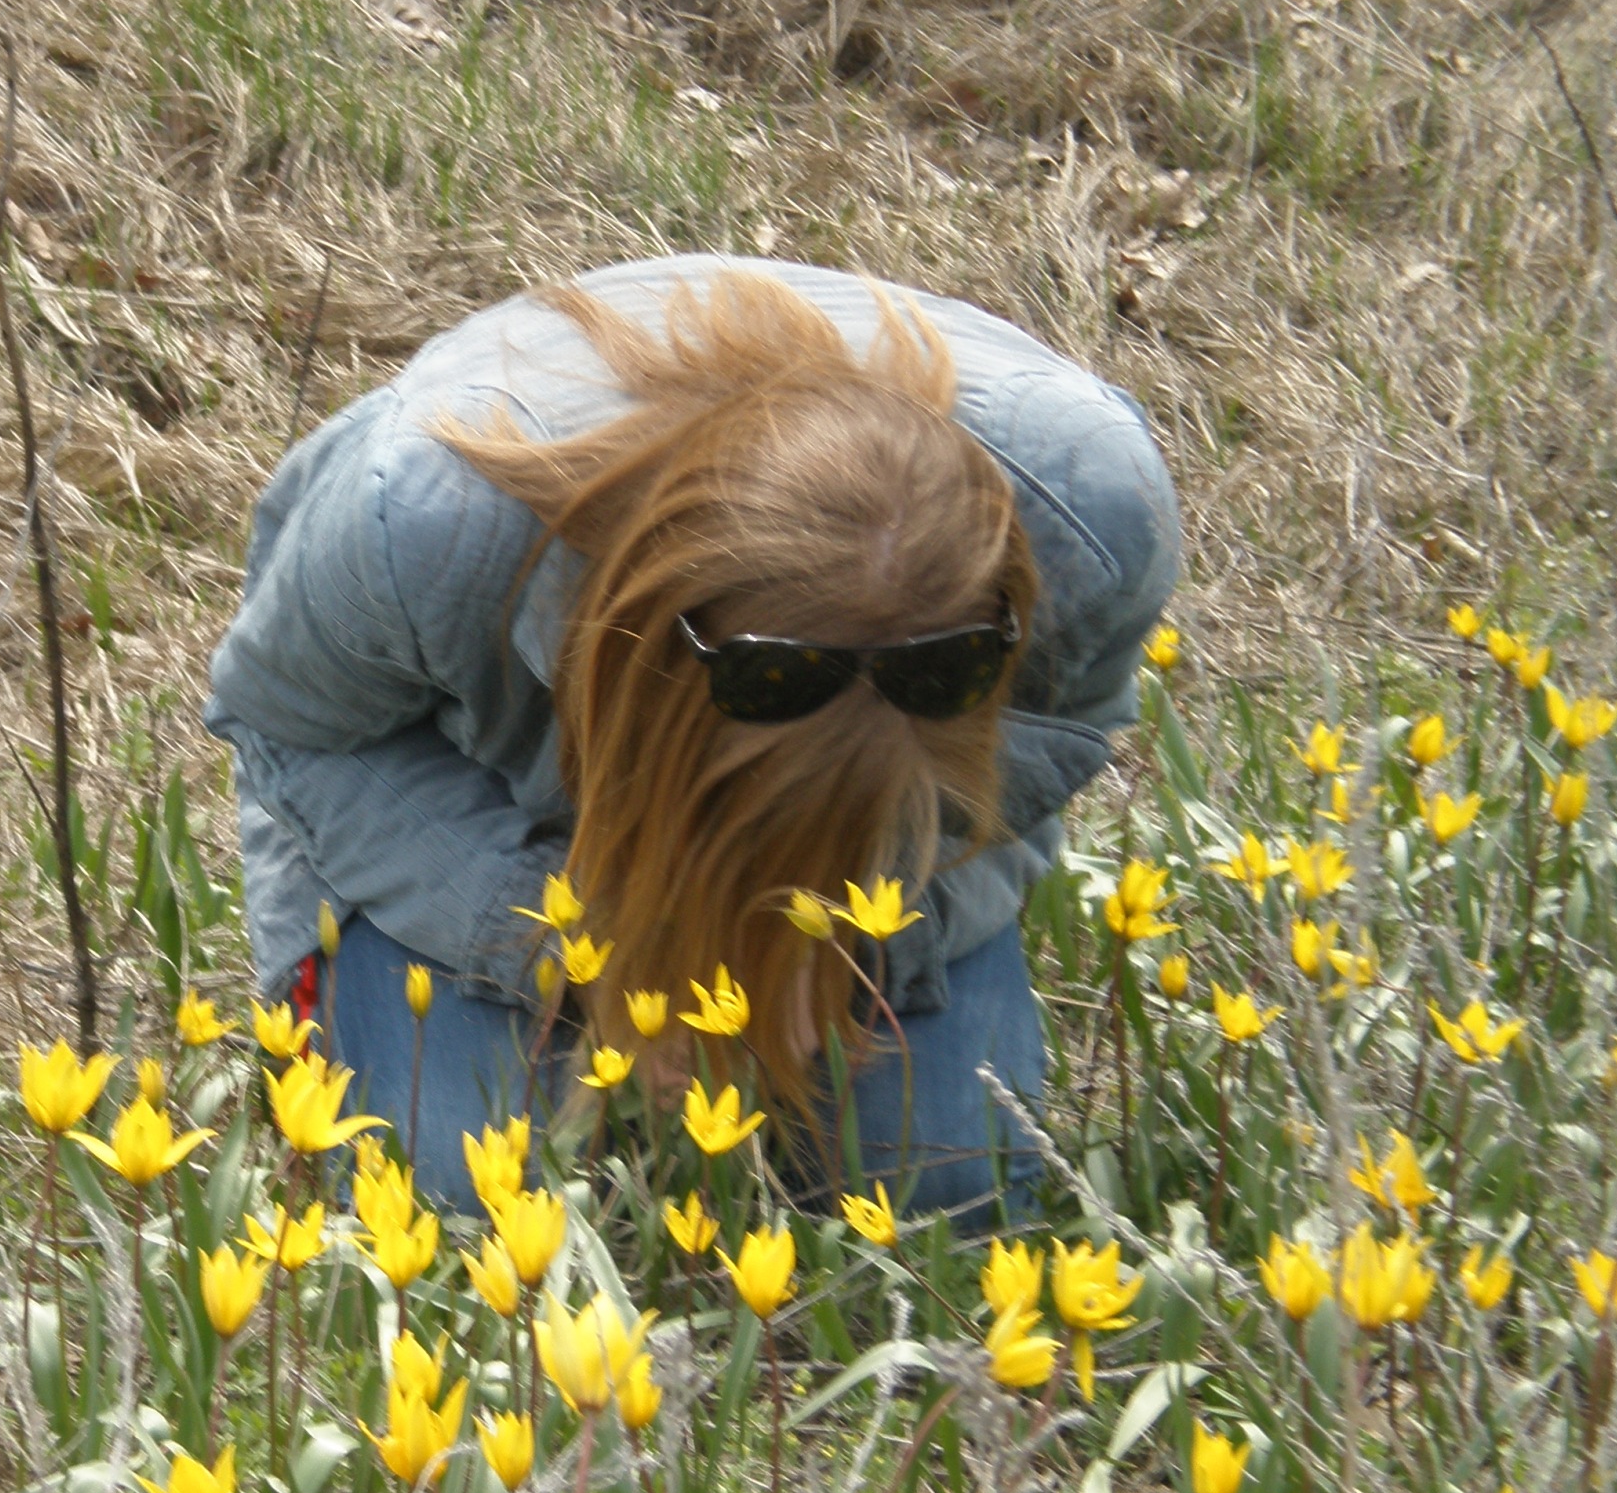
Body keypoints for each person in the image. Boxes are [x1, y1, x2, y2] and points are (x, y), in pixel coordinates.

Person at [204, 256, 1179, 1217]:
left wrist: (847, 950)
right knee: (457, 1200)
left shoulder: (1090, 522)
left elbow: (1051, 758)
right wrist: (581, 946)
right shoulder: (420, 524)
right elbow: (294, 732)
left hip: (875, 890)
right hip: (490, 803)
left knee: (944, 1192)